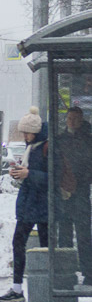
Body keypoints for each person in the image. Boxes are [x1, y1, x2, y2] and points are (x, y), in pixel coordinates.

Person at [1, 107, 49, 302]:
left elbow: (53, 178)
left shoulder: (45, 148)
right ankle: (18, 287)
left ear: (36, 132)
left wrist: (29, 174)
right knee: (20, 243)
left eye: (27, 132)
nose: (25, 136)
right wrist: (20, 174)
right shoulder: (33, 148)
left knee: (44, 246)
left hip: (41, 205)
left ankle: (44, 287)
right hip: (31, 204)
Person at [55, 106, 92, 282]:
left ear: (81, 120)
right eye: (69, 118)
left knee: (84, 232)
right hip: (65, 192)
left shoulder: (87, 139)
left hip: (82, 191)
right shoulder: (60, 140)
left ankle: (88, 271)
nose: (72, 122)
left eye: (75, 119)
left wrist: (81, 181)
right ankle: (65, 271)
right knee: (65, 232)